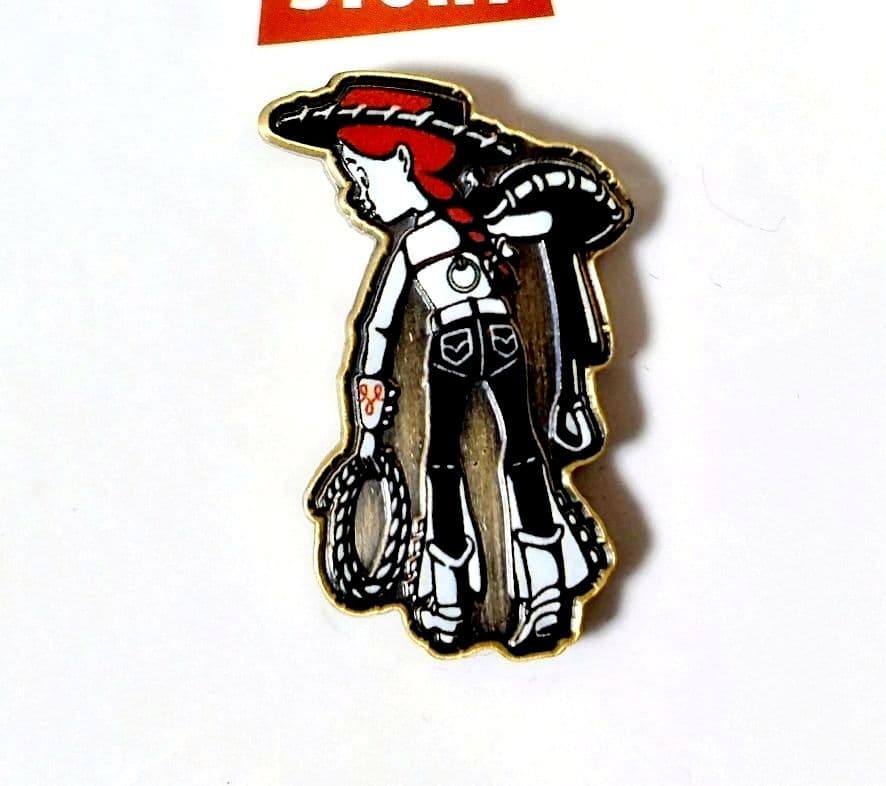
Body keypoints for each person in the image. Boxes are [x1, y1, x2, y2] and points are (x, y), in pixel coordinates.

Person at [263, 75, 632, 655]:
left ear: (403, 160)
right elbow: (378, 328)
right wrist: (368, 418)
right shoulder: (456, 232)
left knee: (469, 462)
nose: (354, 193)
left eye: (360, 173)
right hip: (486, 346)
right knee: (497, 459)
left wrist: (370, 402)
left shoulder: (430, 240)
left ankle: (481, 595)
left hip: (464, 349)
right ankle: (501, 592)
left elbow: (378, 327)